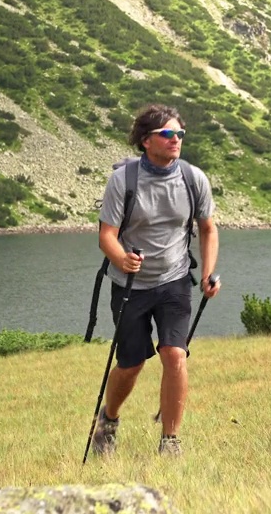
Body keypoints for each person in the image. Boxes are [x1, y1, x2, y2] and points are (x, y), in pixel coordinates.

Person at [90, 103, 220, 457]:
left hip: (175, 280)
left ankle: (170, 441)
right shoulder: (123, 181)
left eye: (180, 134)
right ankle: (109, 421)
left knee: (175, 355)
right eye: (167, 134)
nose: (176, 139)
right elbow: (107, 236)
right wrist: (122, 258)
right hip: (130, 284)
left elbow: (207, 229)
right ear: (146, 141)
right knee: (131, 364)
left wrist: (207, 273)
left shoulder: (194, 179)